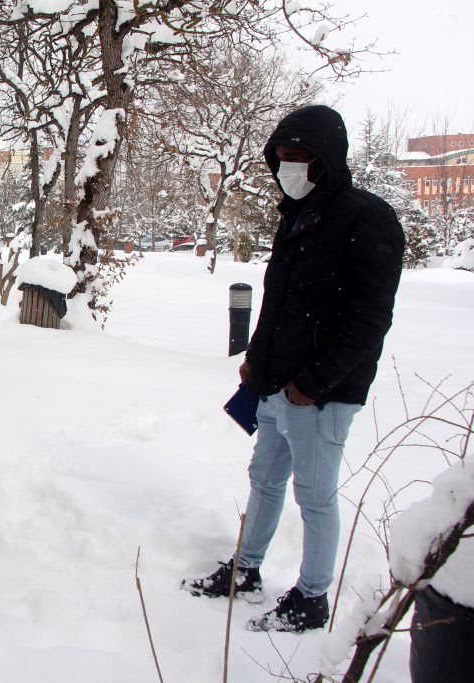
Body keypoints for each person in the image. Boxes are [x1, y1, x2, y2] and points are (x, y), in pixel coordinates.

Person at [181, 105, 405, 633]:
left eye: (298, 157)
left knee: (315, 494)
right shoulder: (296, 215)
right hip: (277, 383)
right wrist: (257, 359)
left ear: (326, 159)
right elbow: (278, 302)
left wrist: (313, 382)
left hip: (322, 393)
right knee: (264, 477)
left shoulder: (366, 217)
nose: (288, 168)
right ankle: (247, 568)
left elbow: (369, 318)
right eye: (281, 158)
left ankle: (311, 596)